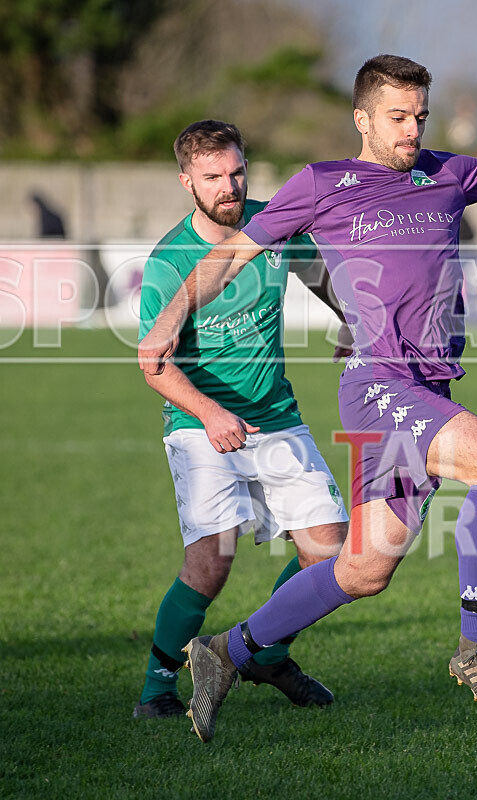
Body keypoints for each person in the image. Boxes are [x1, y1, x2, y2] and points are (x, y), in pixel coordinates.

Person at [139, 56, 477, 742]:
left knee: (362, 570)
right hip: (377, 385)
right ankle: (475, 645)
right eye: (398, 117)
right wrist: (170, 318)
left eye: (420, 116)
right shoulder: (322, 184)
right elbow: (231, 255)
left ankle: (227, 652)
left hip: (427, 386)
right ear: (362, 119)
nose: (412, 130)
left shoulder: (448, 174)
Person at [133, 120, 349, 719]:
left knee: (331, 554)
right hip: (200, 423)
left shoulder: (271, 224)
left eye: (236, 172)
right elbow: (154, 366)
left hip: (276, 415)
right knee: (211, 564)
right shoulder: (168, 263)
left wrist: (349, 317)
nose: (229, 187)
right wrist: (209, 413)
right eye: (212, 178)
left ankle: (262, 653)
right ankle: (155, 690)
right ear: (187, 182)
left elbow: (318, 270)